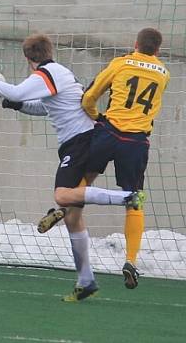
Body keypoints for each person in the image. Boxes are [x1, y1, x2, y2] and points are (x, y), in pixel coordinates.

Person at [0, 33, 143, 302]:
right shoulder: (59, 73)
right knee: (73, 217)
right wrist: (19, 106)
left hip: (80, 142)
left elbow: (17, 90)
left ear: (28, 58)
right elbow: (48, 108)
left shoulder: (47, 73)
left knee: (63, 194)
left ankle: (127, 197)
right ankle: (86, 280)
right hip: (88, 138)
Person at [80, 27, 169, 290]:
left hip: (109, 132)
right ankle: (131, 260)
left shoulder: (120, 63)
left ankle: (65, 207)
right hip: (136, 142)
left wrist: (97, 117)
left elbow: (89, 97)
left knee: (85, 178)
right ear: (158, 50)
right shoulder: (164, 73)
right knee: (135, 198)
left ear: (135, 43)